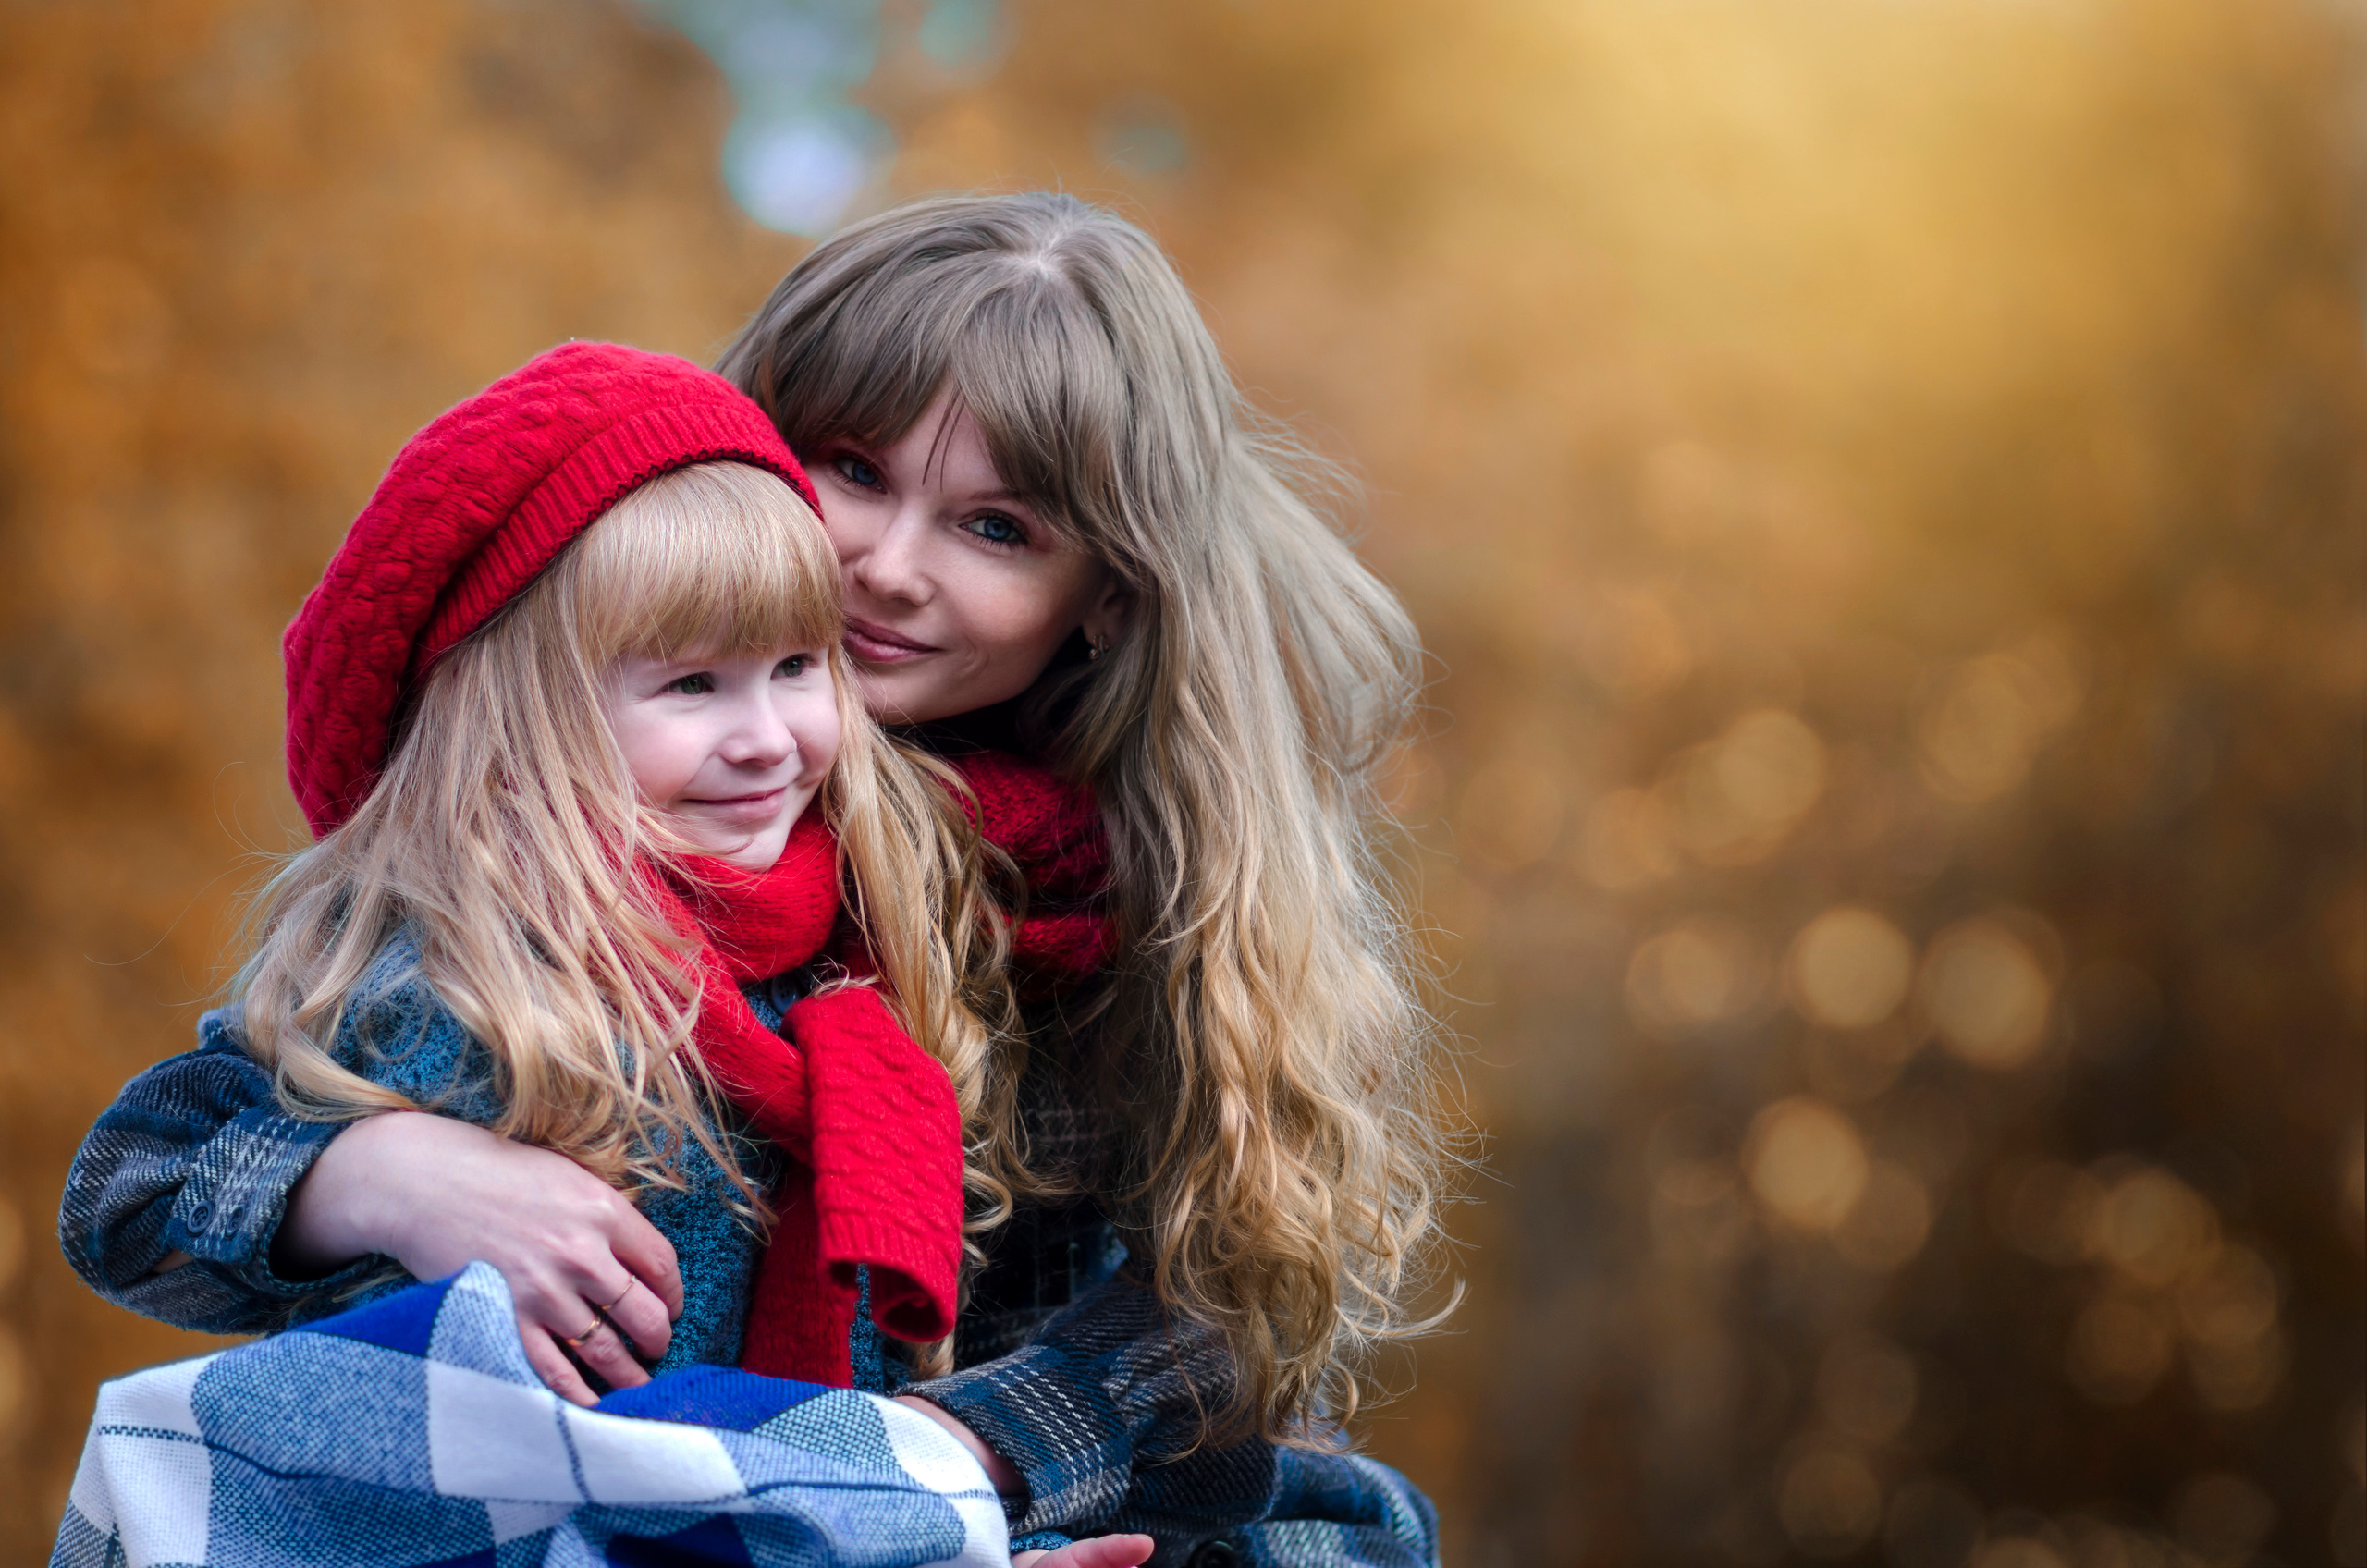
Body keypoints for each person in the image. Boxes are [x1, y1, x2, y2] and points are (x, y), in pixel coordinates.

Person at [63, 194, 1453, 1566]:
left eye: (998, 530)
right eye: (852, 467)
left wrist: (944, 1479)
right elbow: (147, 1183)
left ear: (1106, 594)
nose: (885, 569)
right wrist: (378, 1171)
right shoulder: (575, 838)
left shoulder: (1143, 898)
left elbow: (1218, 1321)